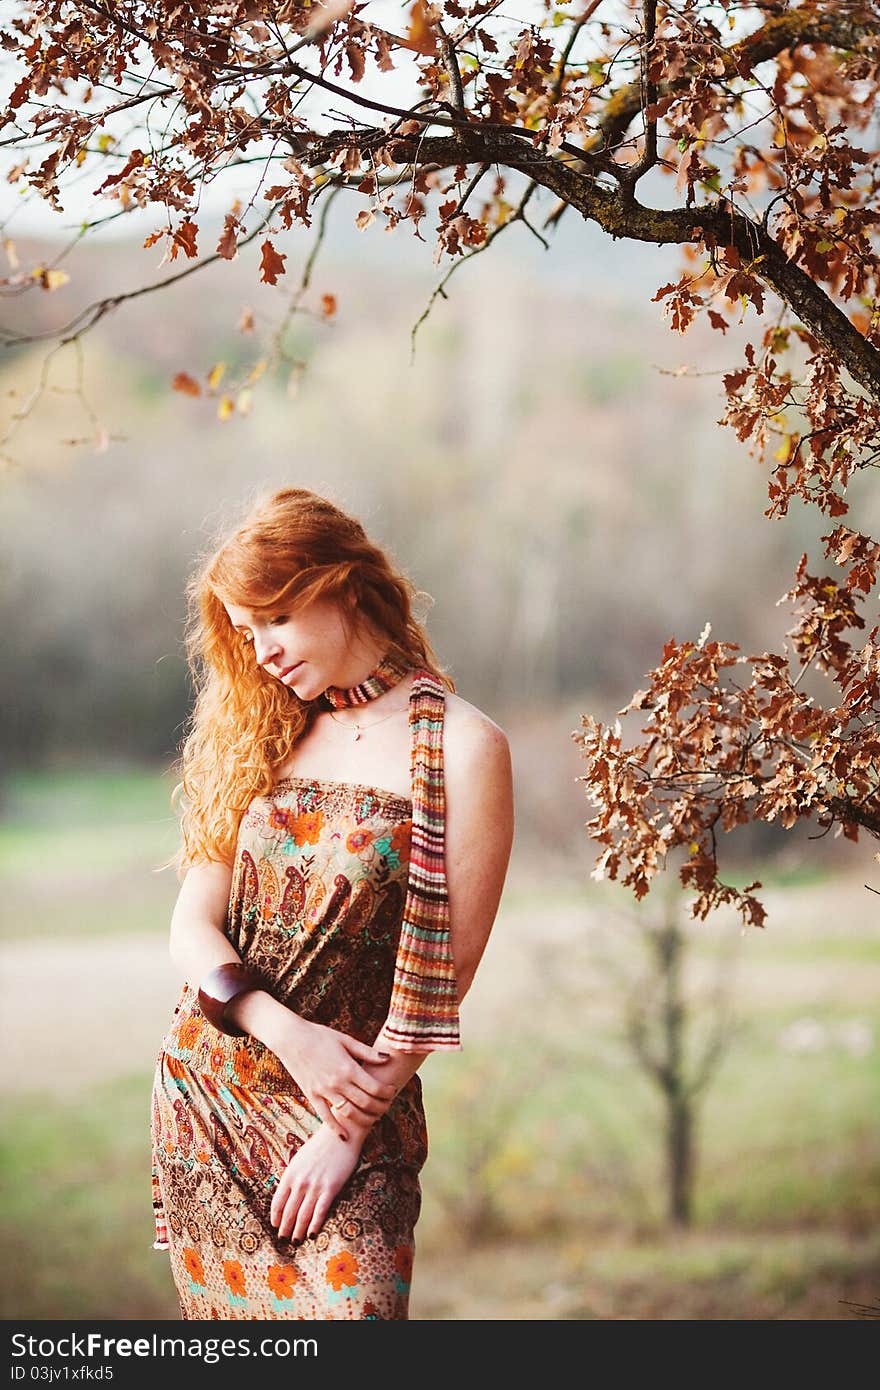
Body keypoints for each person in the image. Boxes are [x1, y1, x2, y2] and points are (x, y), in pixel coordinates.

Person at [150, 486, 514, 1320]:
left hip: (357, 1111)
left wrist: (346, 1129)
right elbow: (190, 926)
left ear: (342, 584)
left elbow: (445, 972)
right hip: (214, 1093)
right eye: (245, 634)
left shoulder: (465, 747)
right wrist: (288, 1034)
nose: (263, 652)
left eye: (273, 618)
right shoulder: (260, 734)